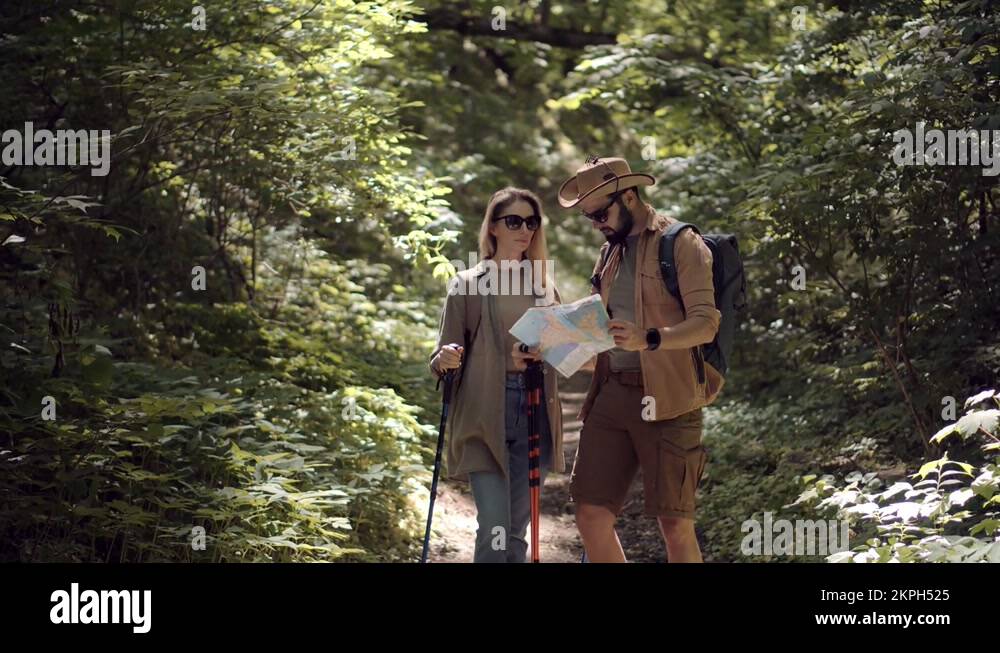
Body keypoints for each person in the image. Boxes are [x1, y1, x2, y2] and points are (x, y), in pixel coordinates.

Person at [558, 156, 722, 563]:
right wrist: (553, 338)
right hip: (611, 393)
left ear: (629, 196)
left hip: (671, 398)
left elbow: (706, 323)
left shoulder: (681, 243)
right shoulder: (609, 253)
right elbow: (602, 323)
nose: (596, 223)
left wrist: (649, 338)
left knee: (675, 524)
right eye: (588, 217)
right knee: (591, 513)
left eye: (600, 213)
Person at [429, 187, 565, 562]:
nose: (525, 230)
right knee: (496, 526)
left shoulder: (543, 286)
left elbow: (564, 351)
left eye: (532, 222)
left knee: (518, 531)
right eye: (514, 221)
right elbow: (441, 356)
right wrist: (445, 357)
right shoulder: (467, 284)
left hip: (533, 408)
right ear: (493, 228)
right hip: (485, 410)